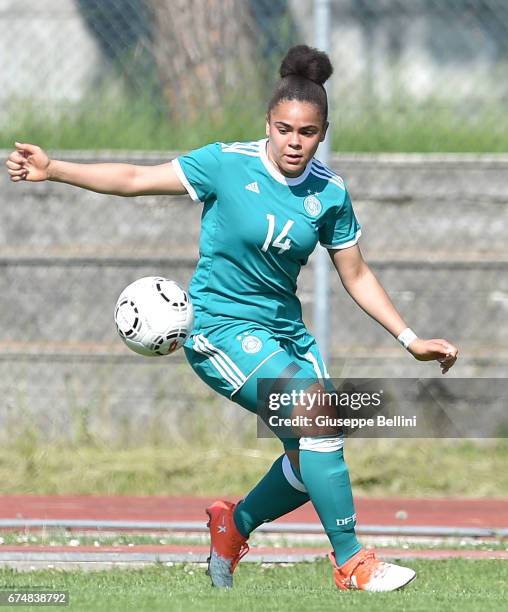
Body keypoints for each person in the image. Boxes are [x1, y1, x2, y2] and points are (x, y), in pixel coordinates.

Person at [6, 45, 458, 592]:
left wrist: (409, 338)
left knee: (311, 452)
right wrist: (54, 170)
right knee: (319, 418)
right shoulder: (226, 163)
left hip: (287, 335)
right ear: (267, 123)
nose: (295, 142)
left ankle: (233, 524)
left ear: (323, 132)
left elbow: (356, 274)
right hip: (221, 330)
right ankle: (352, 561)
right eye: (285, 128)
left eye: (308, 132)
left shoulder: (330, 193)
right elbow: (132, 177)